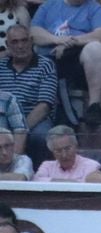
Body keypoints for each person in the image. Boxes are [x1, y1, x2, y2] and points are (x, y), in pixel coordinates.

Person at [30, 0, 101, 127]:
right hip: (50, 57)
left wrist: (73, 41)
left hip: (79, 58)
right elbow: (33, 32)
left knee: (96, 47)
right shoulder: (49, 5)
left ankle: (95, 106)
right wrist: (58, 40)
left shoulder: (96, 8)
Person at [0, 25, 57, 164]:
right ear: (7, 45)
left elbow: (44, 106)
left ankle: (38, 176)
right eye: (15, 42)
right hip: (4, 117)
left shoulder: (46, 65)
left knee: (41, 136)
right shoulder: (1, 66)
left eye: (24, 40)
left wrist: (20, 130)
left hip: (35, 119)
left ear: (31, 41)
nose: (20, 46)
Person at [33, 125, 100, 181]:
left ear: (76, 146)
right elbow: (37, 181)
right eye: (58, 151)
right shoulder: (47, 166)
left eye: (67, 149)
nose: (64, 155)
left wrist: (53, 181)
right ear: (52, 151)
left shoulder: (91, 165)